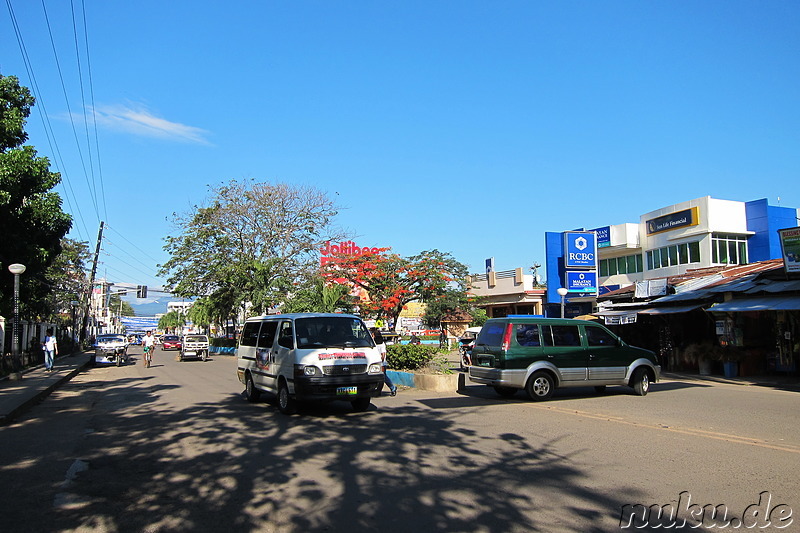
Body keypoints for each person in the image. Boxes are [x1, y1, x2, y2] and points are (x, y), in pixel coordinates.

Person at [370, 327, 396, 396]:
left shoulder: (381, 344)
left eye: (373, 334)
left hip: (381, 363)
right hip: (375, 363)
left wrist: (380, 362)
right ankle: (378, 391)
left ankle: (392, 388)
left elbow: (383, 354)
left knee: (383, 377)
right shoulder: (373, 343)